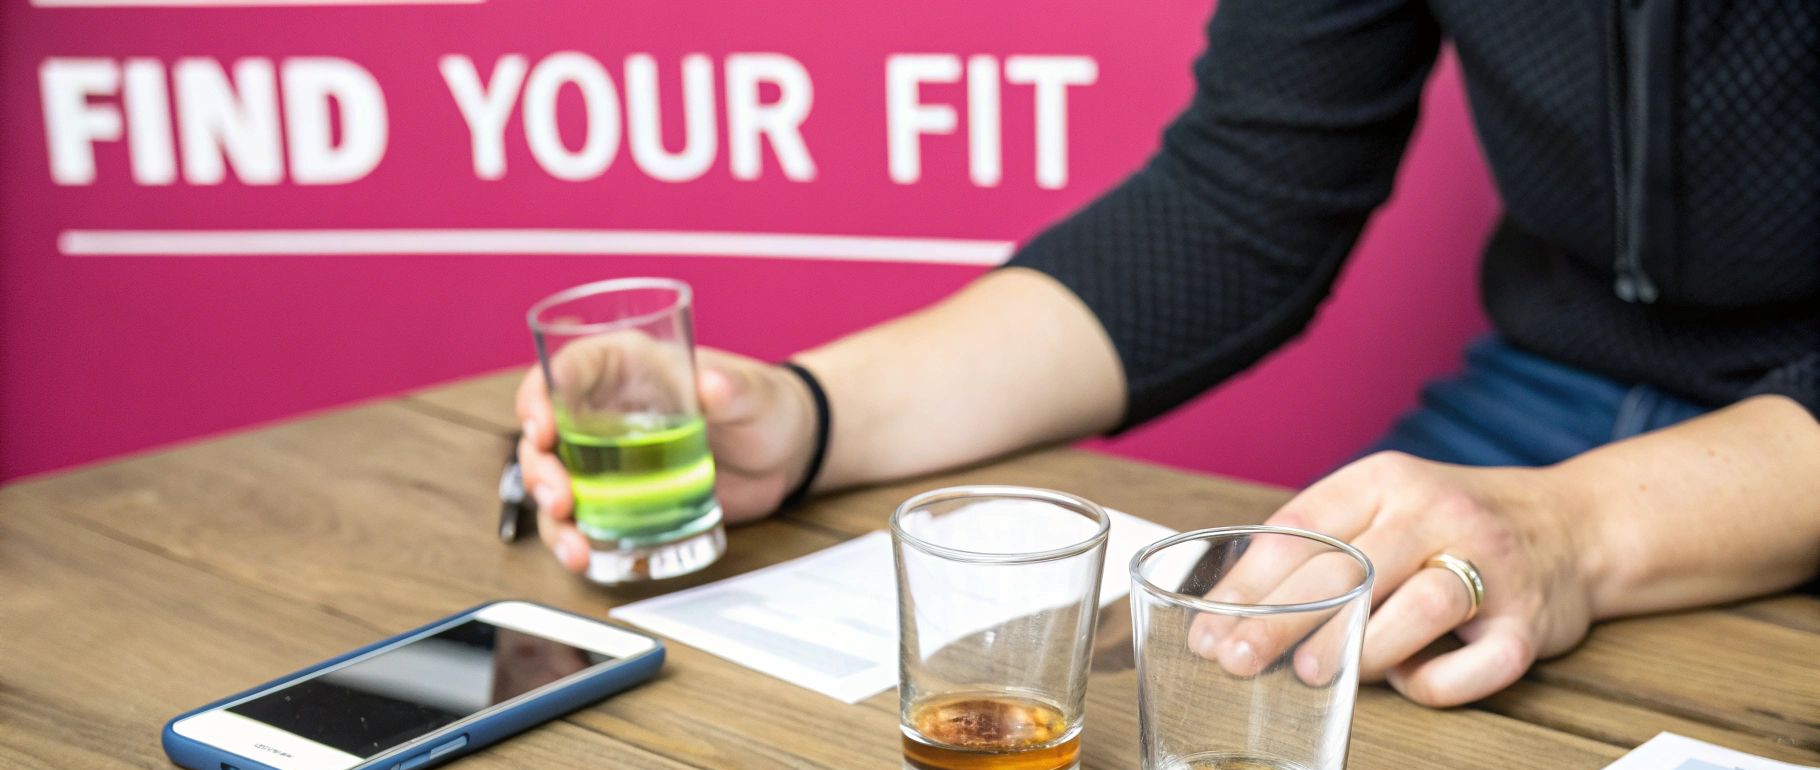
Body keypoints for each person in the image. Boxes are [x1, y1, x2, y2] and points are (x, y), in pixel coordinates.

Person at [517, 0, 1820, 708]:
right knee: (1261, 712)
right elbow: (1240, 202)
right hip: (1543, 401)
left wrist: (1571, 531)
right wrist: (807, 417)